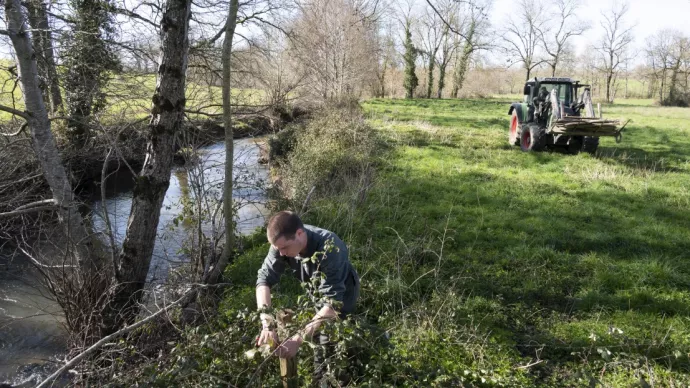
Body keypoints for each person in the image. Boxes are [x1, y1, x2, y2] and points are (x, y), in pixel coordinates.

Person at [255, 210, 360, 364]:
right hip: (317, 295)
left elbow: (332, 304)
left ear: (299, 233)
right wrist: (267, 324)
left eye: (284, 248)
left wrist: (297, 340)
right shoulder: (281, 243)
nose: (281, 254)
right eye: (278, 249)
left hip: (342, 298)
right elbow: (263, 280)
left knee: (327, 349)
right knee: (318, 335)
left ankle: (342, 365)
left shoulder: (330, 248)